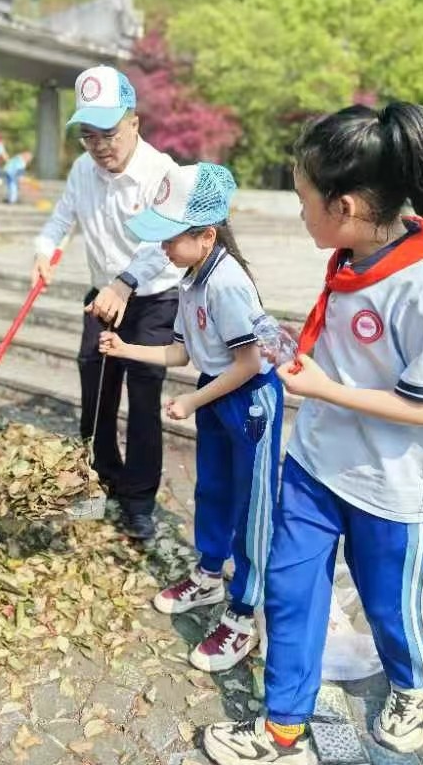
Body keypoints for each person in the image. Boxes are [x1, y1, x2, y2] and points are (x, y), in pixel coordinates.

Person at [203, 102, 423, 765]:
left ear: (346, 206)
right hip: (313, 465)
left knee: (390, 608)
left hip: (388, 486)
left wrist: (324, 388)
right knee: (289, 592)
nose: (300, 213)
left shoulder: (417, 286)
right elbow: (344, 350)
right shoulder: (352, 254)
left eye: (305, 200)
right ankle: (283, 731)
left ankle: (412, 688)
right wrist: (293, 352)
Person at [100, 162, 283, 672]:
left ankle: (244, 612)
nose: (163, 247)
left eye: (171, 237)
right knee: (213, 491)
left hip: (248, 401)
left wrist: (192, 402)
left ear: (206, 236)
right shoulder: (190, 278)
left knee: (252, 508)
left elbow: (250, 364)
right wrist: (125, 348)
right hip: (214, 393)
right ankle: (208, 574)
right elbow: (179, 353)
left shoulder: (227, 283)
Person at [31, 64, 182, 540]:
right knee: (95, 388)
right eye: (89, 136)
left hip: (153, 299)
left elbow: (164, 243)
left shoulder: (161, 172)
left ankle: (138, 500)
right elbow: (61, 220)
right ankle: (98, 479)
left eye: (109, 133)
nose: (99, 146)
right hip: (102, 296)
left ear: (134, 122)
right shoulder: (83, 170)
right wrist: (44, 250)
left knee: (143, 396)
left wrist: (125, 283)